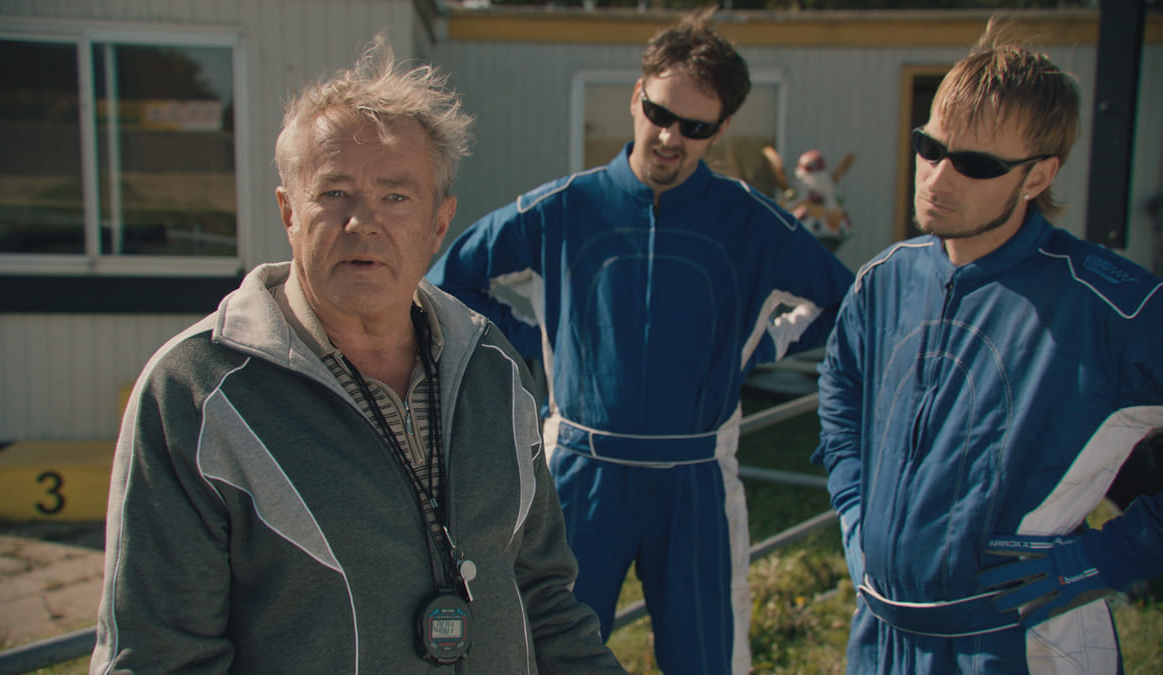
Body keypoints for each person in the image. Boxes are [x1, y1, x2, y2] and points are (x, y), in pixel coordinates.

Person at [91, 35, 627, 674]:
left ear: (440, 222)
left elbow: (544, 600)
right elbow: (160, 657)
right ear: (289, 212)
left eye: (396, 196)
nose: (362, 222)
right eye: (334, 192)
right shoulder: (196, 392)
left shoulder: (492, 368)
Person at [427, 8, 854, 673]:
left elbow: (843, 303)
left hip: (697, 478)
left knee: (707, 659)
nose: (669, 136)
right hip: (580, 471)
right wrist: (537, 339)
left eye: (695, 127)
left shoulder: (751, 222)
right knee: (549, 656)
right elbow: (447, 283)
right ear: (636, 96)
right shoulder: (562, 209)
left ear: (721, 129)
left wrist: (762, 346)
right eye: (658, 112)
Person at [812, 25, 1163, 674]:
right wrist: (853, 507)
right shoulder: (883, 280)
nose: (938, 178)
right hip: (882, 634)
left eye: (976, 164)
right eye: (930, 147)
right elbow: (841, 393)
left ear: (1038, 176)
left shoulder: (1113, 306)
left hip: (1020, 639)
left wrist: (1105, 558)